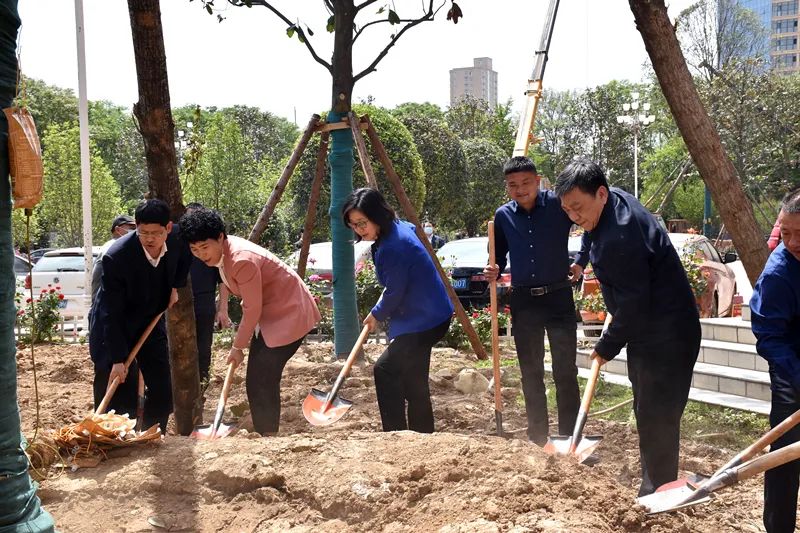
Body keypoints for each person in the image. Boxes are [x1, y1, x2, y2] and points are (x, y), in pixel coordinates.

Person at [553, 157, 700, 496]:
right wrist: (581, 258)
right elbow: (590, 234)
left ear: (600, 193)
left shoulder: (622, 236)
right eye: (568, 211)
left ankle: (657, 493)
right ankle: (655, 484)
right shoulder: (609, 202)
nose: (574, 218)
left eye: (578, 208)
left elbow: (633, 306)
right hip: (648, 328)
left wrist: (605, 346)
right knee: (647, 410)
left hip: (668, 333)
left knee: (657, 415)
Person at [179, 207, 320, 435]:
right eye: (194, 250)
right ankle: (267, 431)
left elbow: (252, 309)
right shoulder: (222, 256)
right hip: (271, 315)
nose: (201, 255)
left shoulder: (242, 259)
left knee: (262, 377)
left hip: (289, 313)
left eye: (205, 247)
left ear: (220, 238)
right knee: (257, 379)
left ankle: (269, 436)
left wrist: (237, 347)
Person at [483, 156, 587, 445]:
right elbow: (497, 256)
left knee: (566, 371)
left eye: (526, 183)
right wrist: (493, 268)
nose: (520, 189)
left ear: (538, 181)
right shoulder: (503, 216)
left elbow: (590, 227)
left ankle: (570, 436)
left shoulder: (559, 205)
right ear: (507, 187)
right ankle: (538, 437)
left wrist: (581, 261)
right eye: (513, 185)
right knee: (531, 374)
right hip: (524, 302)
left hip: (558, 298)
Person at [342, 188, 453, 433]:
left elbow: (394, 291)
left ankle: (395, 435)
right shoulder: (395, 227)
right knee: (414, 382)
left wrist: (376, 314)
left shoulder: (395, 245)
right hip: (428, 312)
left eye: (363, 223)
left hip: (425, 319)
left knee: (384, 369)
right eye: (354, 225)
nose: (360, 230)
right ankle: (422, 435)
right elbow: (397, 282)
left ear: (377, 215)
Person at [89, 199, 192, 431]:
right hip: (115, 322)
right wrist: (117, 359)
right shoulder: (116, 257)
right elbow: (111, 311)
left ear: (168, 228)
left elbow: (185, 259)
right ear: (136, 226)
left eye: (156, 233)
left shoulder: (179, 238)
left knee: (162, 384)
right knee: (118, 383)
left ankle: (153, 434)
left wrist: (175, 286)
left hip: (150, 316)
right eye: (143, 232)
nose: (149, 239)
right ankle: (114, 437)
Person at [750, 190, 800, 533]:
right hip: (789, 362)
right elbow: (770, 336)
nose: (793, 242)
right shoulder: (778, 275)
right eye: (786, 233)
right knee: (785, 452)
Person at [184, 202, 230, 385]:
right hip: (179, 304)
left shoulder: (211, 248)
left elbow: (223, 281)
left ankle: (201, 387)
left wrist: (223, 309)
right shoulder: (184, 245)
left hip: (204, 303)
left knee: (203, 349)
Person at [90, 214, 136, 302]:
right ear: (118, 230)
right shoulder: (115, 247)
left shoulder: (116, 246)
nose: (134, 231)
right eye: (131, 228)